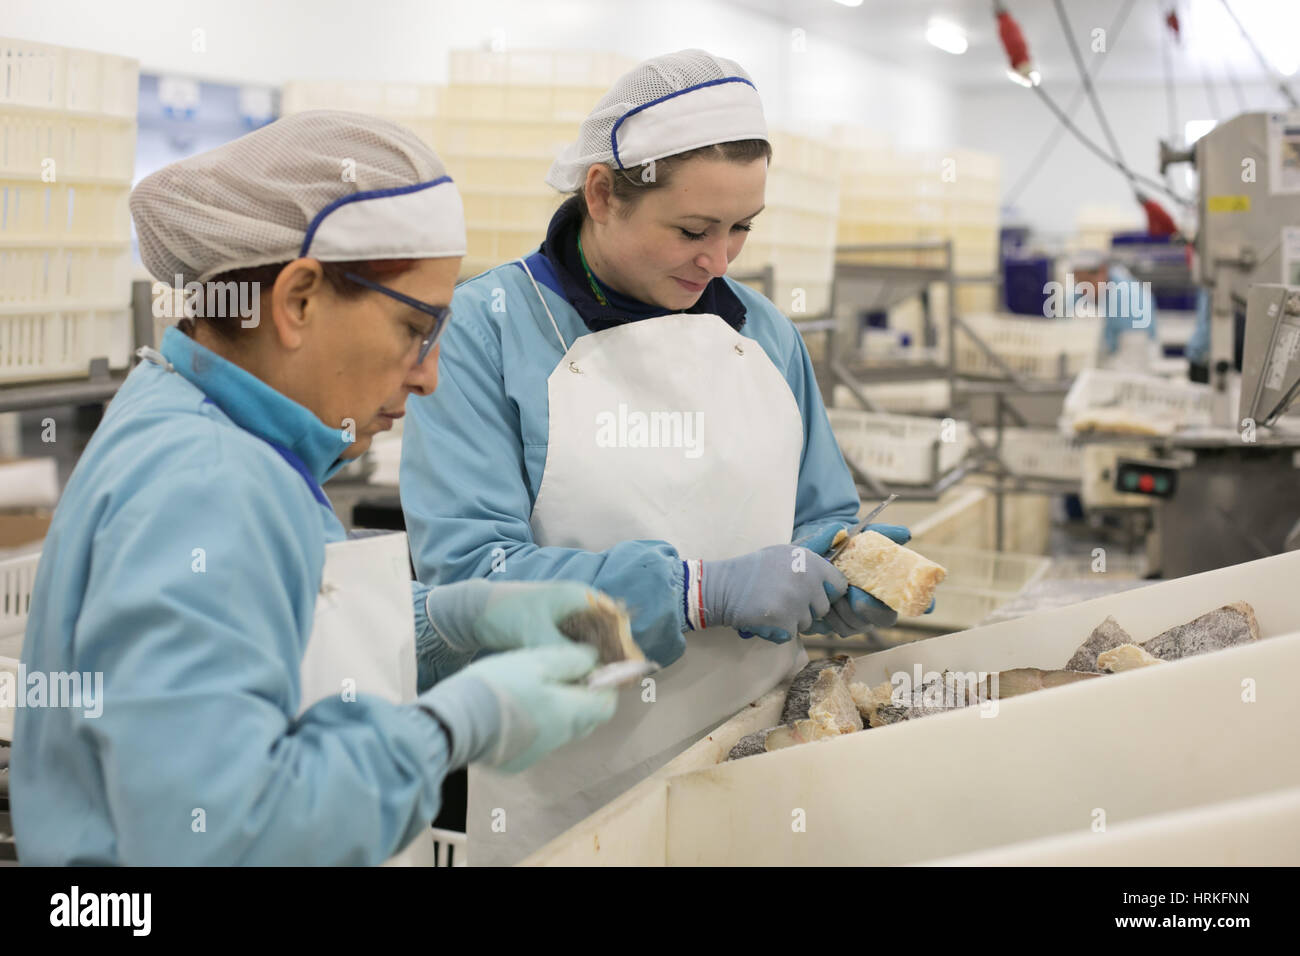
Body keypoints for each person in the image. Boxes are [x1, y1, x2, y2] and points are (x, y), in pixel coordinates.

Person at [10, 111, 615, 866]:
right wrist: (455, 728)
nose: (429, 373)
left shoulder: (216, 425)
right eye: (415, 328)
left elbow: (276, 626)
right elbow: (216, 834)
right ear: (298, 301)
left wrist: (452, 622)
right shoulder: (208, 483)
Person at [400, 50, 915, 866]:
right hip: (565, 790)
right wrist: (690, 591)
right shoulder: (487, 331)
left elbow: (821, 513)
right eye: (691, 229)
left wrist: (842, 576)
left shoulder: (764, 333)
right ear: (602, 194)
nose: (720, 260)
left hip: (756, 750)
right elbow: (468, 581)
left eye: (742, 227)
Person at [1071, 251, 1159, 370]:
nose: (1083, 289)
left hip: (1135, 360)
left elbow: (1133, 354)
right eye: (1079, 282)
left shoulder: (1130, 297)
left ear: (1103, 271)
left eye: (1088, 281)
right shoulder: (1079, 294)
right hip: (1106, 362)